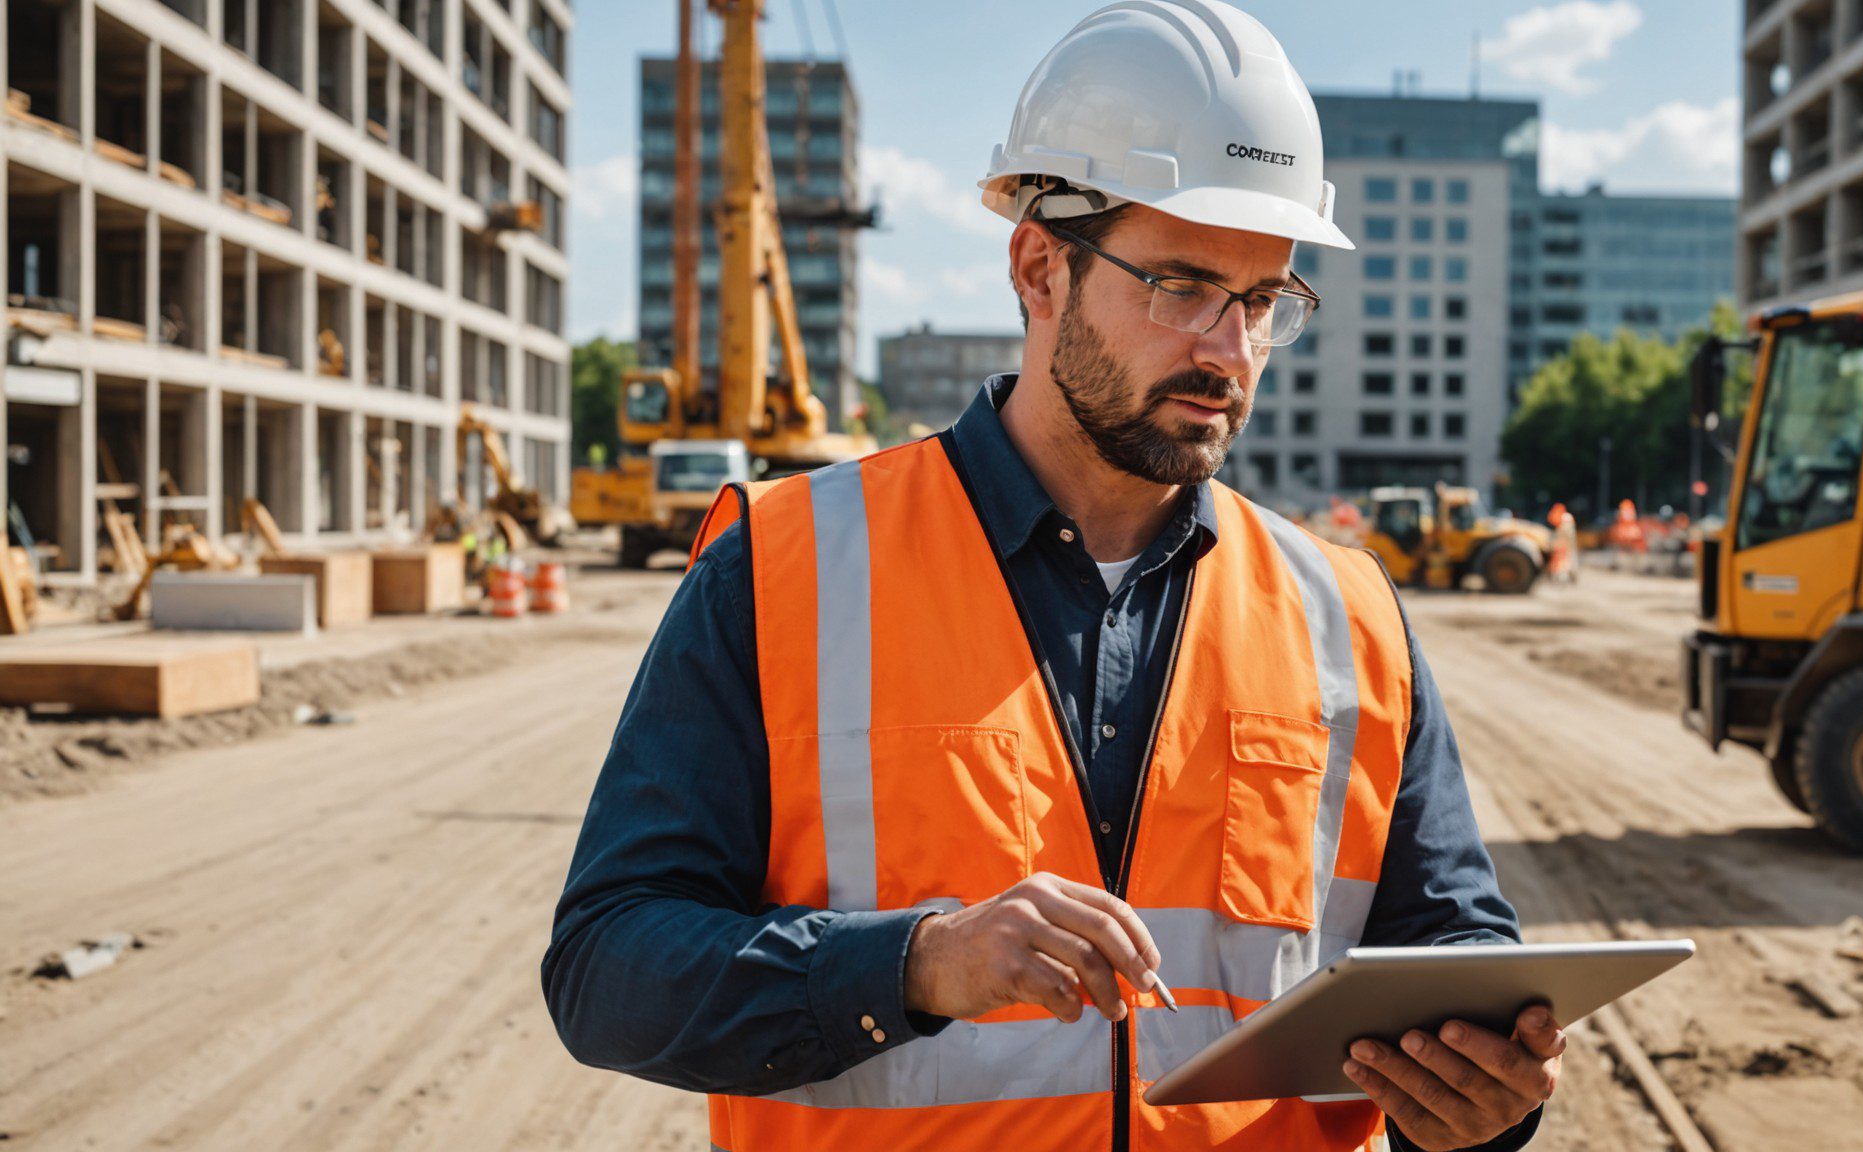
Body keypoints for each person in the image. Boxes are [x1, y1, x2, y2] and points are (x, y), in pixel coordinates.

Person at [543, 4, 1560, 1149]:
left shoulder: (1349, 614)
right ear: (1040, 268)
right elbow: (606, 970)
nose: (1227, 351)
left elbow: (1452, 945)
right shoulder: (785, 568)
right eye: (1180, 286)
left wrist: (1484, 1096)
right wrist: (915, 965)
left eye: (1263, 302)